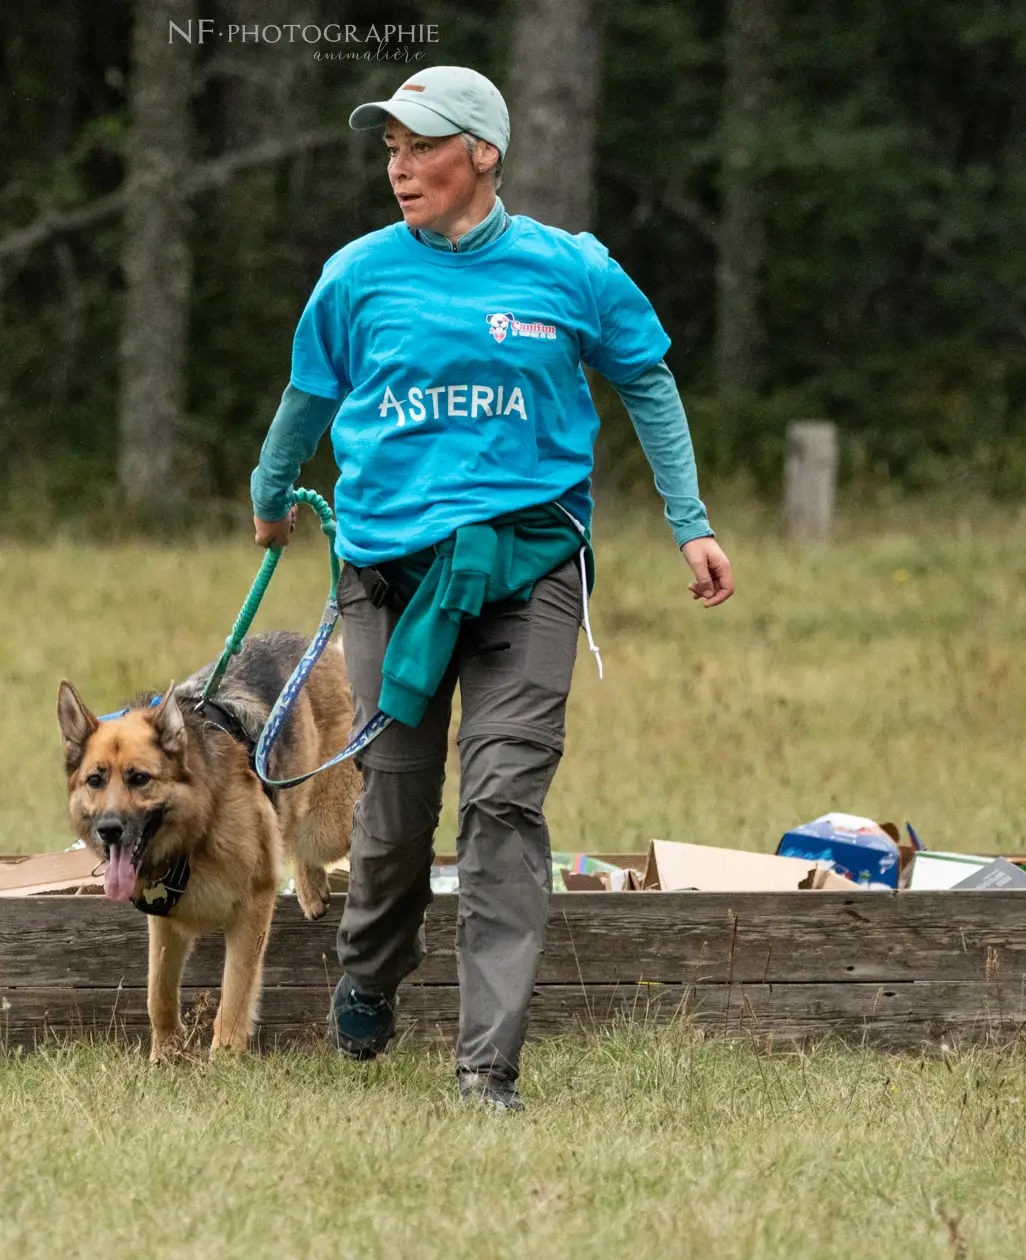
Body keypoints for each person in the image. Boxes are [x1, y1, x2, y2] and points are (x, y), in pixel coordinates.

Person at [250, 65, 734, 1113]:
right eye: (388, 149)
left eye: (420, 146)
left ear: (482, 154)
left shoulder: (570, 271)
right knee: (391, 813)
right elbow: (307, 391)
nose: (398, 166)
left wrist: (688, 522)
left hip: (529, 569)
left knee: (503, 801)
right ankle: (370, 969)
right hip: (391, 580)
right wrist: (270, 490)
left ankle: (485, 1068)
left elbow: (645, 377)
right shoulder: (355, 275)